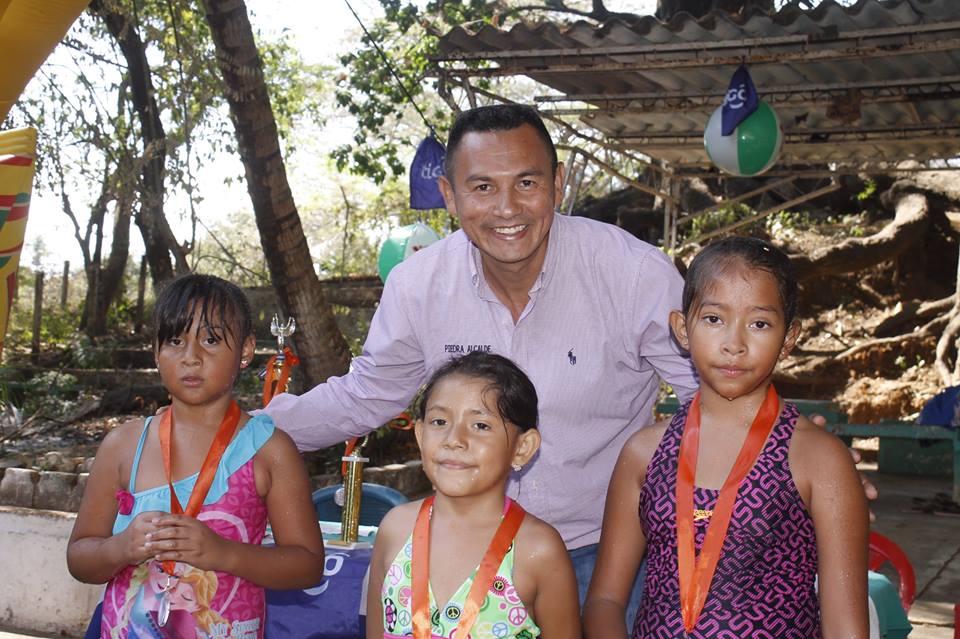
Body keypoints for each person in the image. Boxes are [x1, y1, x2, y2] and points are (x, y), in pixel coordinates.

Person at [265, 104, 698, 619]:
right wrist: (234, 435)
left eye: (527, 183)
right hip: (465, 558)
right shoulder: (419, 286)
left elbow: (713, 395)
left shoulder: (634, 275)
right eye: (483, 187)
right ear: (450, 195)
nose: (507, 209)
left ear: (558, 183)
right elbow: (364, 394)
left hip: (610, 559)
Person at [583, 237, 869, 638]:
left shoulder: (817, 459)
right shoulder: (644, 453)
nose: (734, 344)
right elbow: (605, 601)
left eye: (759, 324)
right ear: (683, 329)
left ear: (789, 338)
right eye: (714, 319)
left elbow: (846, 627)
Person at [67, 274, 325, 638]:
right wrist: (121, 548)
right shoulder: (123, 446)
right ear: (156, 351)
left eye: (211, 339)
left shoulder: (269, 450)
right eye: (175, 340)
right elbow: (79, 558)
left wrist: (223, 553)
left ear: (246, 352)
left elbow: (308, 565)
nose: (191, 357)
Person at [366, 351, 580, 639]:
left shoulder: (538, 551)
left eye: (480, 425)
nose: (454, 439)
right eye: (439, 422)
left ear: (522, 447)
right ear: (420, 436)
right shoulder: (395, 529)